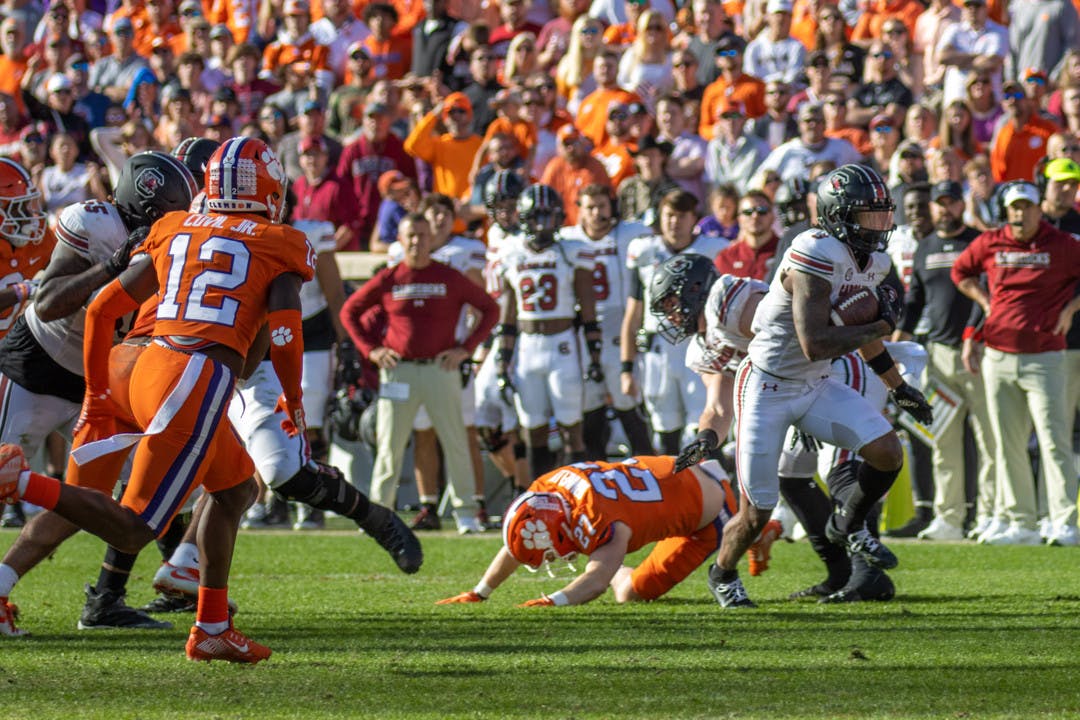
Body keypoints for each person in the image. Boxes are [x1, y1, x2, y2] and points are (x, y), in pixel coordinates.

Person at [0, 137, 313, 664]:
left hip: (130, 364)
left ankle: (211, 625)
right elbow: (283, 334)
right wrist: (295, 404)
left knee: (235, 490)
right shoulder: (281, 241)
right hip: (188, 375)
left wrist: (98, 396)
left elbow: (101, 310)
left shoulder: (172, 228)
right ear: (271, 190)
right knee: (133, 525)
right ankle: (21, 480)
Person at [684, 164, 932, 608]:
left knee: (887, 452)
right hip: (767, 387)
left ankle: (848, 525)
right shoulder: (812, 249)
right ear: (838, 215)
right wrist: (881, 321)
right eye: (868, 216)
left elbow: (862, 333)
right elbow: (815, 342)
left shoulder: (875, 261)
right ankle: (722, 573)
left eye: (883, 215)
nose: (879, 226)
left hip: (815, 384)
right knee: (757, 511)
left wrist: (896, 385)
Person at [0, 152, 196, 636]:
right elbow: (47, 303)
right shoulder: (95, 222)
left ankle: (12, 583)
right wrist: (113, 265)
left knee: (91, 498)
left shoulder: (171, 240)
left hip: (96, 379)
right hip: (34, 366)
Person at [340, 212, 499, 523]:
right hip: (399, 371)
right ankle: (378, 514)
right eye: (410, 235)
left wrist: (465, 349)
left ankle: (466, 513)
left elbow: (490, 309)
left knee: (455, 442)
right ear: (400, 239)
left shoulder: (449, 276)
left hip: (441, 369)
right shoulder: (390, 277)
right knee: (390, 446)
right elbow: (350, 311)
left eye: (422, 235)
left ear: (432, 239)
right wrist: (371, 351)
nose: (416, 241)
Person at [951, 182, 1080, 546]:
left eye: (1027, 207)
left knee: (1054, 441)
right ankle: (1021, 523)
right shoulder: (991, 242)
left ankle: (1065, 521)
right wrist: (984, 301)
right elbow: (961, 272)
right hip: (998, 356)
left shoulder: (1062, 244)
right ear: (1006, 210)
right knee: (1007, 445)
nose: (1020, 214)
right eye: (1014, 208)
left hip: (1046, 357)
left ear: (1040, 208)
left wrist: (1071, 309)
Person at [435, 456, 737, 607]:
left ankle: (761, 528)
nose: (550, 558)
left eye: (549, 550)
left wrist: (555, 601)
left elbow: (595, 583)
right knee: (624, 581)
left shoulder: (603, 521)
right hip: (674, 469)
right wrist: (481, 592)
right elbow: (521, 539)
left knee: (632, 592)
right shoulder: (548, 491)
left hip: (714, 511)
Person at [893, 180, 995, 541]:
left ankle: (987, 515)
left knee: (989, 441)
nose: (944, 209)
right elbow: (914, 303)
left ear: (961, 206)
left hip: (979, 354)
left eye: (951, 203)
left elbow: (990, 297)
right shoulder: (925, 248)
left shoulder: (979, 243)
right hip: (937, 356)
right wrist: (896, 347)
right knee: (943, 443)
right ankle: (948, 518)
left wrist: (976, 336)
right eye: (940, 203)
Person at [494, 184, 601, 479]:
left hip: (563, 346)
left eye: (548, 216)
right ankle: (540, 496)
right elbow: (508, 315)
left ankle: (576, 494)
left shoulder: (572, 251)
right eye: (536, 216)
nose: (542, 224)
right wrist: (502, 361)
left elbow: (589, 311)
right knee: (533, 428)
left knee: (571, 427)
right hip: (527, 348)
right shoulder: (512, 252)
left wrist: (594, 355)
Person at [620, 189, 727, 455]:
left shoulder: (714, 250)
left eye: (681, 216)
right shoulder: (644, 250)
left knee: (701, 426)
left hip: (699, 346)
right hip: (658, 350)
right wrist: (626, 367)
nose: (674, 223)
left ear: (694, 219)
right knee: (664, 430)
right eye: (669, 215)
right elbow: (633, 312)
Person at [559, 183, 654, 459]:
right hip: (584, 330)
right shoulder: (568, 240)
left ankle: (647, 471)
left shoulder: (631, 233)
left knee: (629, 407)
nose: (597, 213)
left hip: (620, 327)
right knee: (591, 411)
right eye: (590, 207)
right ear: (579, 210)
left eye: (602, 205)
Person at [712, 190, 780, 280]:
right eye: (748, 212)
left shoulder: (786, 252)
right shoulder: (725, 258)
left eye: (762, 211)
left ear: (773, 216)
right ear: (739, 218)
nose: (755, 216)